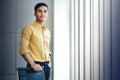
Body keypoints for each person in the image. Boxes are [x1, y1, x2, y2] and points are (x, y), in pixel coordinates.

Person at [19, 2, 51, 80]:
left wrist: (49, 62)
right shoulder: (28, 28)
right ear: (35, 13)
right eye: (39, 11)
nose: (42, 13)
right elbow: (23, 49)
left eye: (45, 11)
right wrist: (33, 64)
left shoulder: (47, 31)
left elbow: (47, 48)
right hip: (35, 66)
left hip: (47, 67)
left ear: (47, 14)